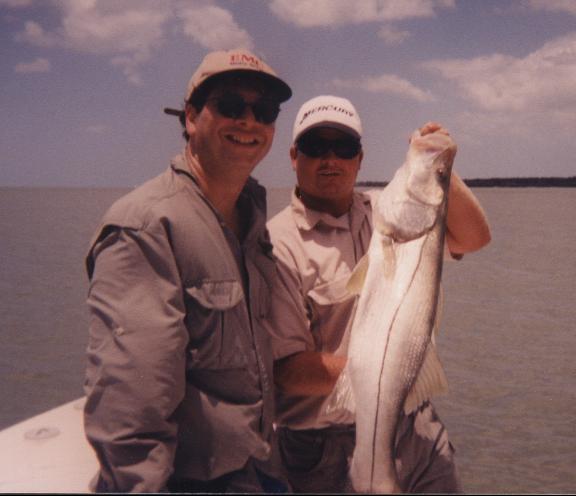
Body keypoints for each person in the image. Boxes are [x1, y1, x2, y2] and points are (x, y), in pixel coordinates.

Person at [83, 48, 293, 493]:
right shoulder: (145, 226)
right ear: (191, 116)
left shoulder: (252, 221)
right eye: (231, 105)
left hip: (258, 470)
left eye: (265, 110)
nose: (249, 121)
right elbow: (130, 409)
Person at [266, 95, 491, 493]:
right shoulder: (276, 244)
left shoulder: (386, 209)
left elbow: (474, 238)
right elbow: (288, 372)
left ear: (360, 159)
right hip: (320, 448)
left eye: (345, 148)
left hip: (417, 427)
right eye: (316, 147)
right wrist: (385, 375)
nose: (330, 159)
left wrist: (441, 167)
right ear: (293, 156)